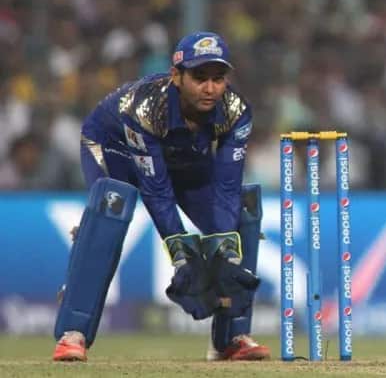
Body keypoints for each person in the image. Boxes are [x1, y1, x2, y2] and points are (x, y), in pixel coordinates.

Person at [53, 32, 270, 362]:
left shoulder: (235, 110)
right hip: (115, 148)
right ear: (176, 76)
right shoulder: (147, 109)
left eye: (218, 78)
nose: (210, 88)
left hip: (183, 158)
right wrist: (182, 255)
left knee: (242, 217)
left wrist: (225, 253)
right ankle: (73, 333)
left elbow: (227, 186)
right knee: (111, 209)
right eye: (199, 77)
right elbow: (156, 190)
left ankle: (231, 338)